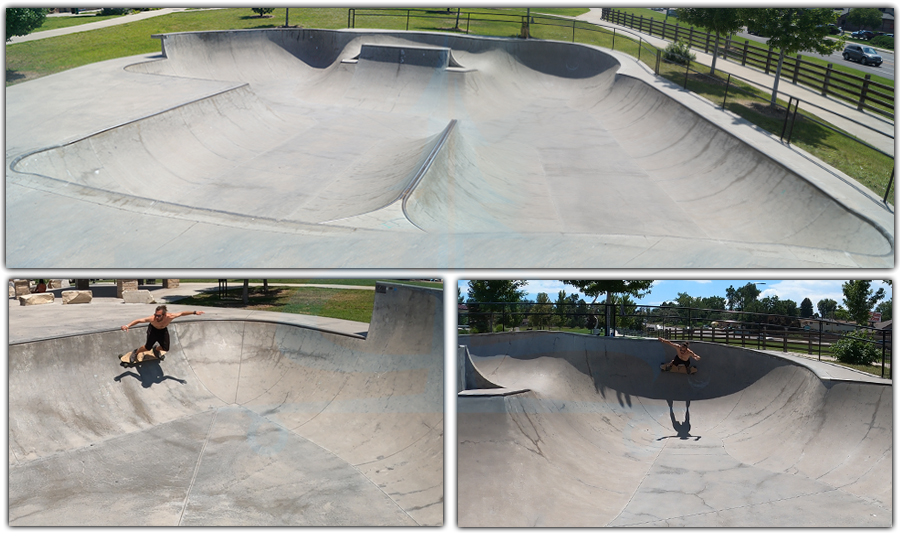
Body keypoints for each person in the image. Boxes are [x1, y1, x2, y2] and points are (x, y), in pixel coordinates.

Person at [121, 306, 204, 362]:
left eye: (159, 316)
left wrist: (194, 312)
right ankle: (136, 352)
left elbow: (182, 313)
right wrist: (127, 325)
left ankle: (156, 349)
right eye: (155, 315)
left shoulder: (171, 316)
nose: (156, 317)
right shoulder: (152, 319)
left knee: (166, 348)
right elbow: (138, 320)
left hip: (163, 331)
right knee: (147, 347)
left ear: (164, 315)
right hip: (153, 331)